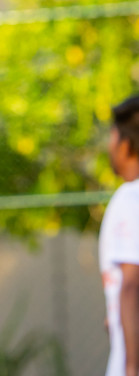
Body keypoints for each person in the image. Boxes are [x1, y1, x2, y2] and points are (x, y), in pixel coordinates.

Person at [100, 93, 139, 376]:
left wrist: (131, 366)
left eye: (111, 138)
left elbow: (132, 284)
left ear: (125, 146)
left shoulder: (130, 197)